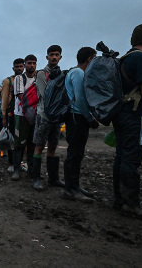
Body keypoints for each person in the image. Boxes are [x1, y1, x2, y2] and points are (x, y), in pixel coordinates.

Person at [112, 24, 142, 220]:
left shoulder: (124, 59)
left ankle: (119, 199)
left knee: (121, 156)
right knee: (132, 158)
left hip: (120, 113)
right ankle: (132, 205)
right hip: (137, 114)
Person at [63, 47, 98, 203]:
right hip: (76, 116)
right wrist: (90, 117)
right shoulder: (78, 73)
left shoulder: (75, 71)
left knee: (77, 153)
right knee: (74, 153)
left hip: (75, 116)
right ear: (89, 59)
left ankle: (74, 186)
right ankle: (71, 189)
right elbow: (80, 98)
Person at [32, 45, 65, 189]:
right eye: (51, 54)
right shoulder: (41, 74)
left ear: (60, 57)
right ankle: (36, 179)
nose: (54, 57)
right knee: (39, 146)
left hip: (56, 118)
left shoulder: (61, 74)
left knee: (53, 146)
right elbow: (46, 96)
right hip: (44, 116)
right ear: (47, 57)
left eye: (56, 55)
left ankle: (53, 179)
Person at [12, 55, 37, 181]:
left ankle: (32, 171)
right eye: (29, 63)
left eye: (34, 63)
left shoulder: (39, 78)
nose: (31, 65)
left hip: (35, 115)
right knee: (19, 144)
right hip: (21, 116)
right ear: (25, 65)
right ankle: (17, 169)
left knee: (33, 144)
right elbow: (21, 96)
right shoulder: (19, 78)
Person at [2, 58, 25, 171]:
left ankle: (20, 162)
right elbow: (5, 99)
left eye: (21, 66)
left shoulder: (27, 79)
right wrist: (4, 116)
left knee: (22, 139)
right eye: (17, 67)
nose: (19, 68)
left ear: (24, 67)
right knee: (12, 140)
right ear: (13, 68)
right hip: (12, 114)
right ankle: (11, 163)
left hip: (24, 114)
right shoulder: (8, 81)